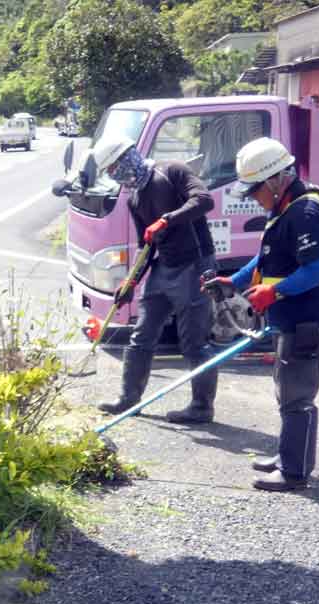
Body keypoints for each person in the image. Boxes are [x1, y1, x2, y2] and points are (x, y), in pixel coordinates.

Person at [202, 137, 319, 492]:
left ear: (276, 178)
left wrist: (274, 291)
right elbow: (265, 259)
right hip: (291, 318)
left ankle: (294, 474)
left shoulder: (305, 211)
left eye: (255, 190)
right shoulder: (285, 207)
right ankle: (286, 456)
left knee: (298, 397)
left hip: (308, 319)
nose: (253, 198)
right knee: (285, 390)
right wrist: (233, 281)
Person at [94, 134, 218, 424]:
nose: (115, 175)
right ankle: (128, 400)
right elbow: (145, 246)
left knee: (194, 343)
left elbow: (204, 200)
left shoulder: (171, 170)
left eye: (114, 167)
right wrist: (131, 281)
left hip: (195, 264)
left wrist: (166, 219)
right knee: (141, 336)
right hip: (164, 267)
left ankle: (201, 407)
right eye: (110, 172)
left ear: (129, 157)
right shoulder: (134, 198)